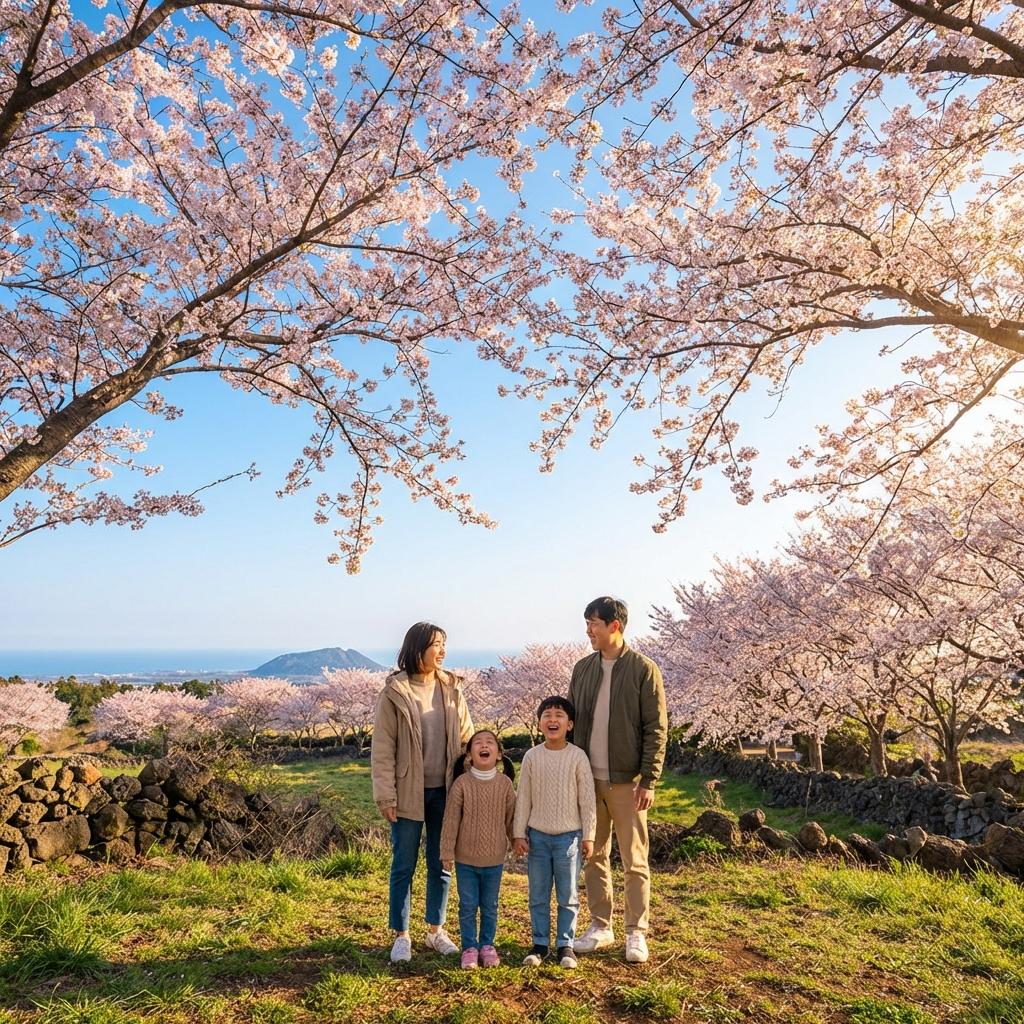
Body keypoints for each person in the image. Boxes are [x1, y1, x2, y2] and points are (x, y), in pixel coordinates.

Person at [568, 596, 668, 964]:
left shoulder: (643, 669)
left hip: (628, 783)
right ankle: (600, 925)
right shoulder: (582, 669)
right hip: (588, 780)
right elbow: (570, 721)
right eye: (587, 623)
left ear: (615, 625)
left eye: (594, 622)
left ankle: (636, 931)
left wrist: (649, 780)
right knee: (594, 855)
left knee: (634, 859)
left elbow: (656, 729)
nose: (588, 630)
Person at [371, 621, 474, 963]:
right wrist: (386, 794)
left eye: (445, 643)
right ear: (418, 648)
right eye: (436, 644)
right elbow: (383, 748)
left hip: (446, 791)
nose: (442, 650)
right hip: (407, 792)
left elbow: (466, 739)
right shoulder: (395, 693)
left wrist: (472, 783)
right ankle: (401, 935)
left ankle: (436, 930)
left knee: (442, 862)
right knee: (404, 863)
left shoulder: (452, 689)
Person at [512, 695, 596, 969]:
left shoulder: (577, 756)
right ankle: (539, 944)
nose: (552, 719)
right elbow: (523, 797)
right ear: (538, 724)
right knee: (537, 894)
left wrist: (589, 835)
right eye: (546, 715)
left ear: (569, 724)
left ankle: (565, 945)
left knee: (568, 894)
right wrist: (519, 833)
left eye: (559, 715)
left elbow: (587, 799)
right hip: (537, 836)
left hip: (569, 838)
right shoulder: (532, 757)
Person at [440, 729, 517, 969]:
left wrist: (517, 840)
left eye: (490, 743)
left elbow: (511, 818)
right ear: (470, 755)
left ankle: (487, 945)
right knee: (468, 905)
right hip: (466, 860)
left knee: (491, 905)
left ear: (499, 754)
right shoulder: (462, 784)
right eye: (478, 743)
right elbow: (451, 820)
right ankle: (469, 947)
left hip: (494, 859)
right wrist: (446, 852)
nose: (484, 746)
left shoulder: (505, 784)